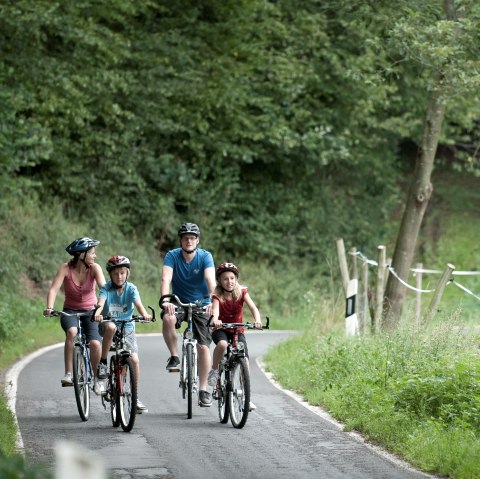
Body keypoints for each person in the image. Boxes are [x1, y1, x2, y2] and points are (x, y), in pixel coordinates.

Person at [160, 222, 216, 407]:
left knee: (203, 348)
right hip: (179, 301)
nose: (189, 241)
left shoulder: (205, 256)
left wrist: (214, 302)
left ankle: (203, 390)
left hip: (203, 303)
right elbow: (166, 278)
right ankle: (175, 356)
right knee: (168, 318)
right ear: (181, 241)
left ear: (197, 240)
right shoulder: (172, 256)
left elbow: (210, 279)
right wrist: (166, 300)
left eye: (192, 238)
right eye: (186, 238)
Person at [44, 237, 106, 387]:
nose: (94, 256)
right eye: (92, 253)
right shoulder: (65, 269)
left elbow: (104, 290)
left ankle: (97, 379)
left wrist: (100, 309)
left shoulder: (94, 268)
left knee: (95, 343)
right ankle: (69, 374)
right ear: (81, 255)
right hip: (70, 311)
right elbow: (53, 289)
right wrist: (50, 307)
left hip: (91, 311)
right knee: (72, 332)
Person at [93, 255, 152, 413]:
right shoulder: (106, 288)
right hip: (107, 324)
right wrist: (98, 313)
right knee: (111, 327)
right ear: (110, 275)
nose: (119, 277)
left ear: (127, 274)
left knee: (133, 359)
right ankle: (103, 363)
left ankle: (134, 396)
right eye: (115, 274)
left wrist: (145, 314)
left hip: (127, 326)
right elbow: (101, 303)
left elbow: (138, 304)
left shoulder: (131, 288)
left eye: (122, 273)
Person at [208, 262, 262, 411]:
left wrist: (257, 320)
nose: (229, 281)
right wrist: (216, 320)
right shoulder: (217, 295)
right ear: (220, 281)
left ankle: (245, 398)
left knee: (244, 359)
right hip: (221, 329)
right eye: (225, 279)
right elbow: (215, 312)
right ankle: (214, 370)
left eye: (232, 278)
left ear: (236, 279)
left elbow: (253, 308)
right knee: (223, 345)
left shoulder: (242, 292)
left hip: (237, 331)